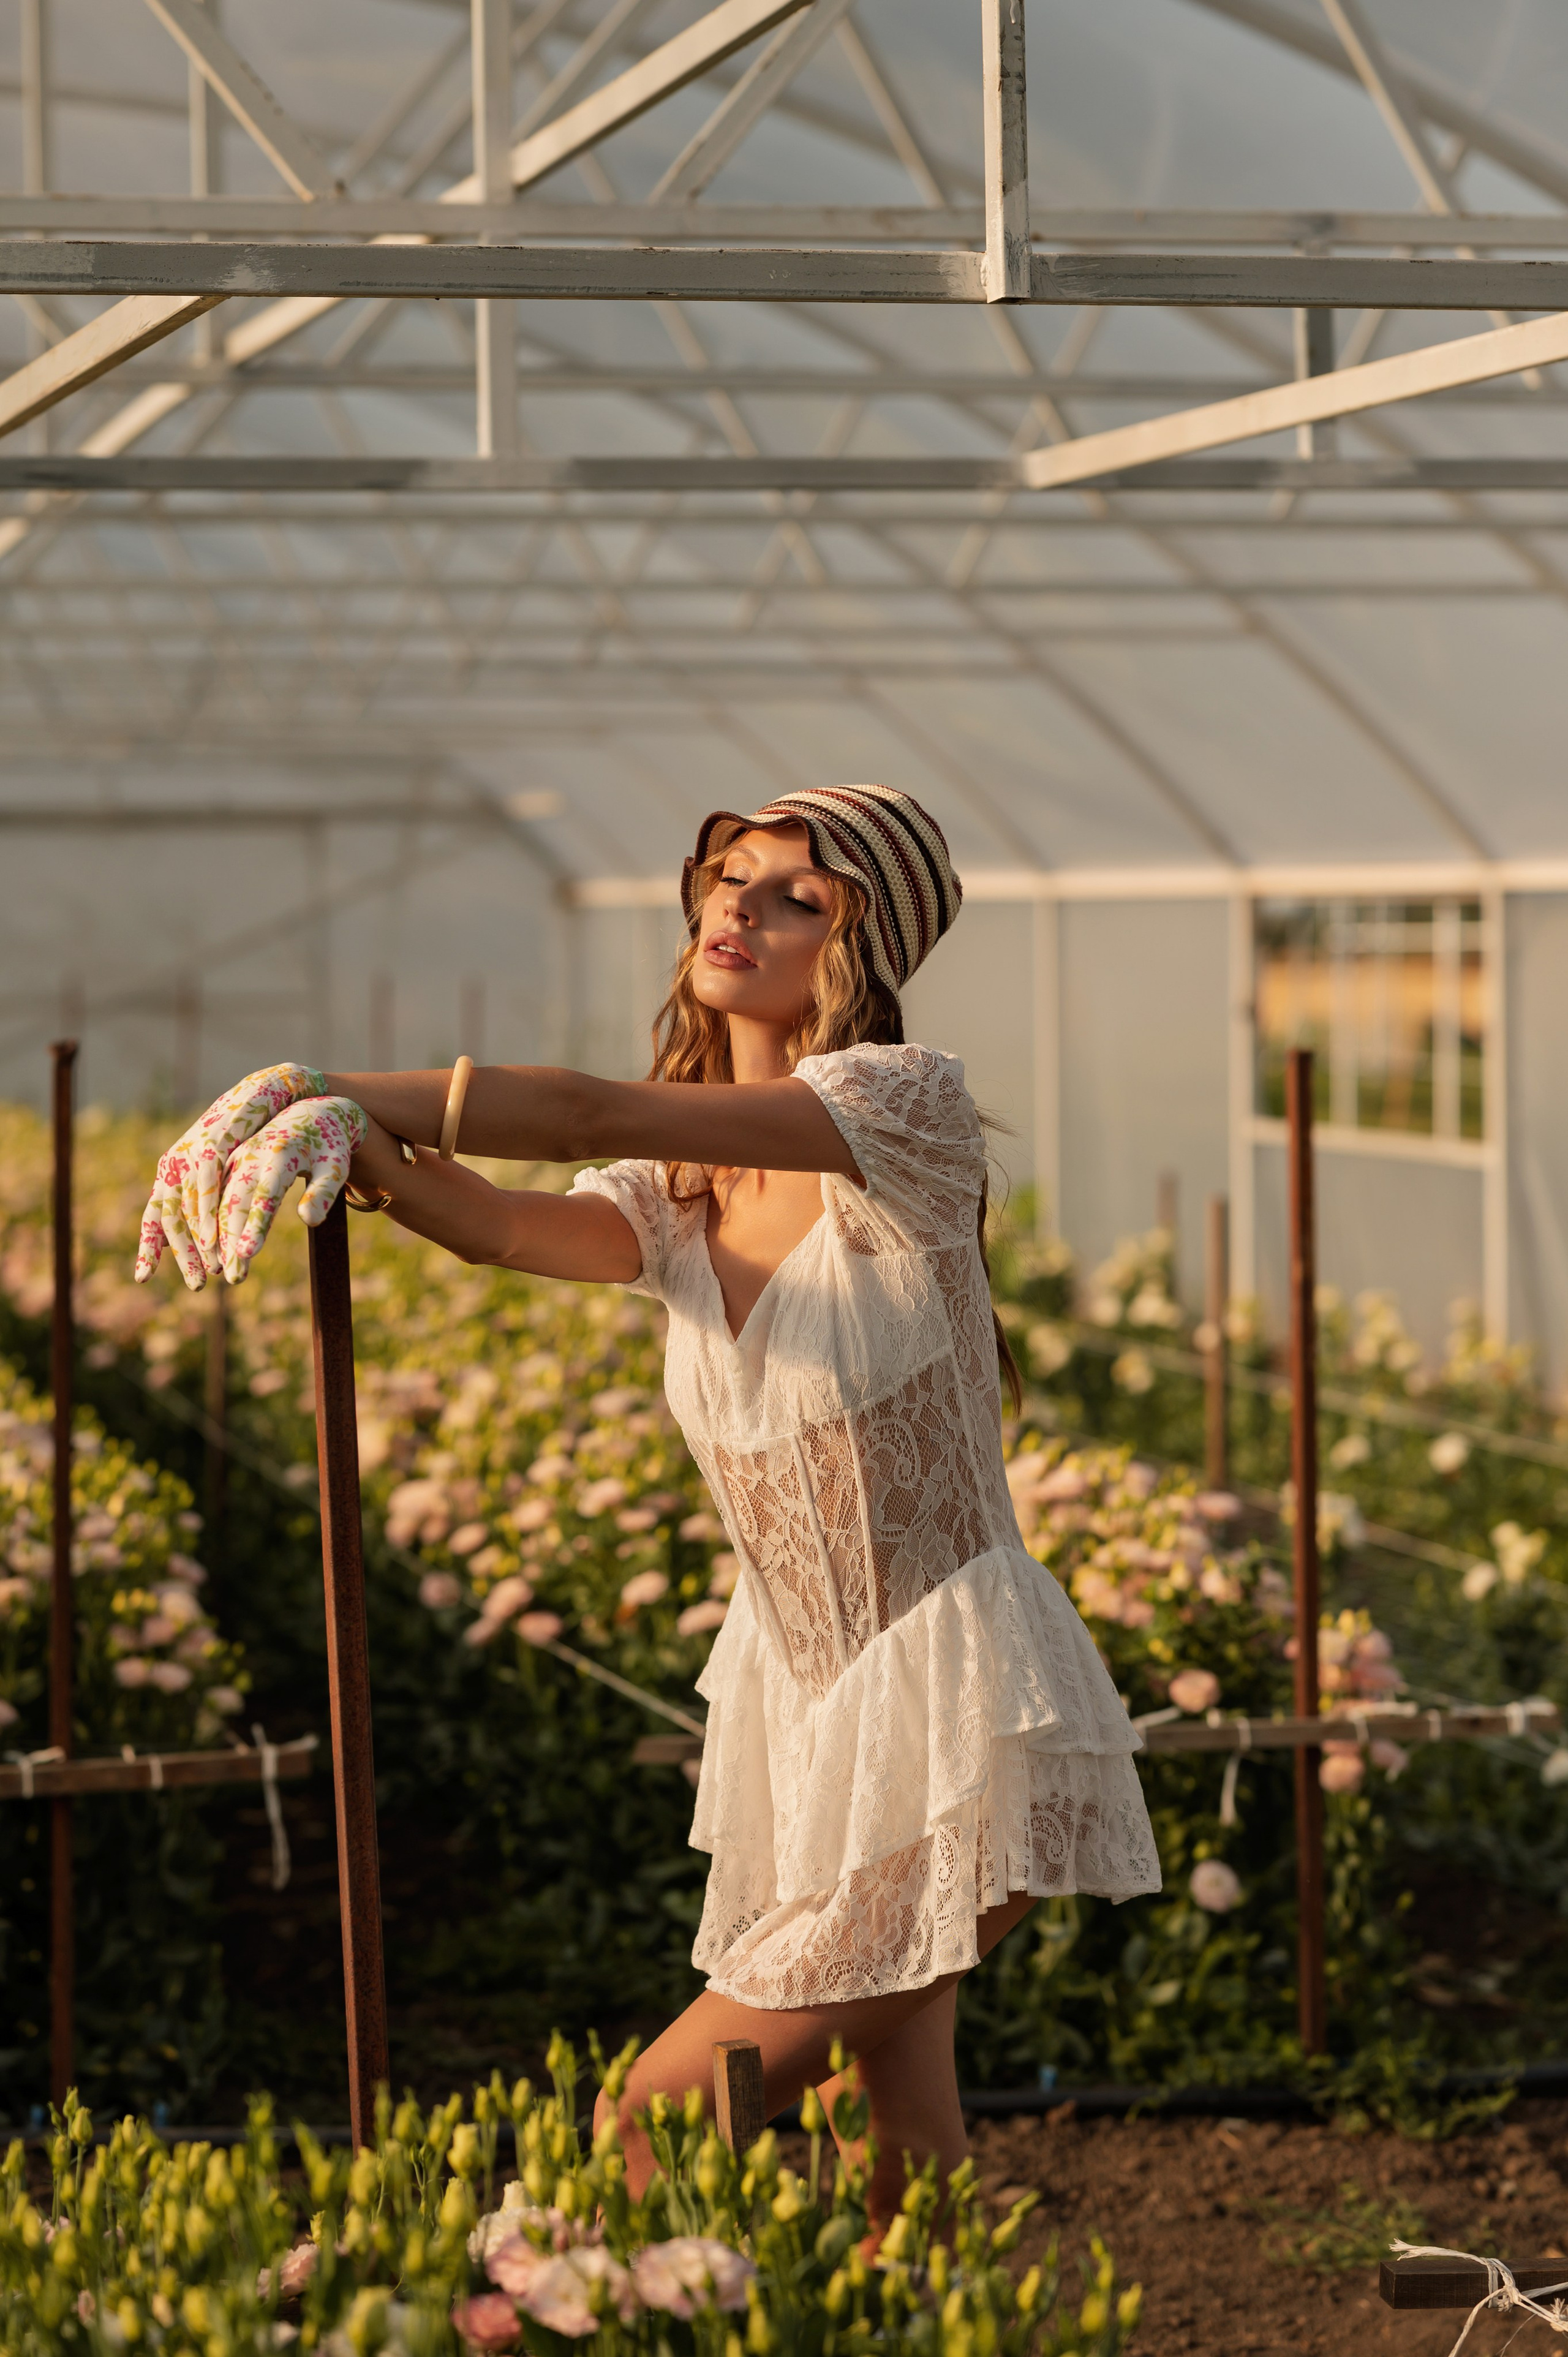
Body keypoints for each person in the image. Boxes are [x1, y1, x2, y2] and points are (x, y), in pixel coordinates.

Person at [135, 782, 1159, 2220]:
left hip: (955, 1701)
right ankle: (929, 2307)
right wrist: (350, 1148)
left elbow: (578, 1106)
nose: (737, 905)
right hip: (813, 1715)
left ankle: (550, 2302)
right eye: (726, 876)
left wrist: (334, 1080)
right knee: (902, 2124)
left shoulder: (901, 1105)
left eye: (794, 894)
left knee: (656, 2116)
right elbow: (495, 1220)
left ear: (860, 940)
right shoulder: (678, 1187)